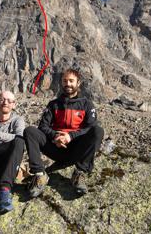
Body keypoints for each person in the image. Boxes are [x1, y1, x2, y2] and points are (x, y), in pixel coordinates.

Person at [23, 69, 104, 197]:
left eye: (71, 81)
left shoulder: (87, 105)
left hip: (77, 149)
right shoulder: (53, 105)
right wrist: (56, 136)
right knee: (30, 131)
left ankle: (79, 173)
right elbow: (42, 126)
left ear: (78, 83)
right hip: (56, 148)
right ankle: (40, 175)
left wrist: (70, 136)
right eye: (65, 81)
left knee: (98, 130)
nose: (68, 84)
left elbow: (91, 127)